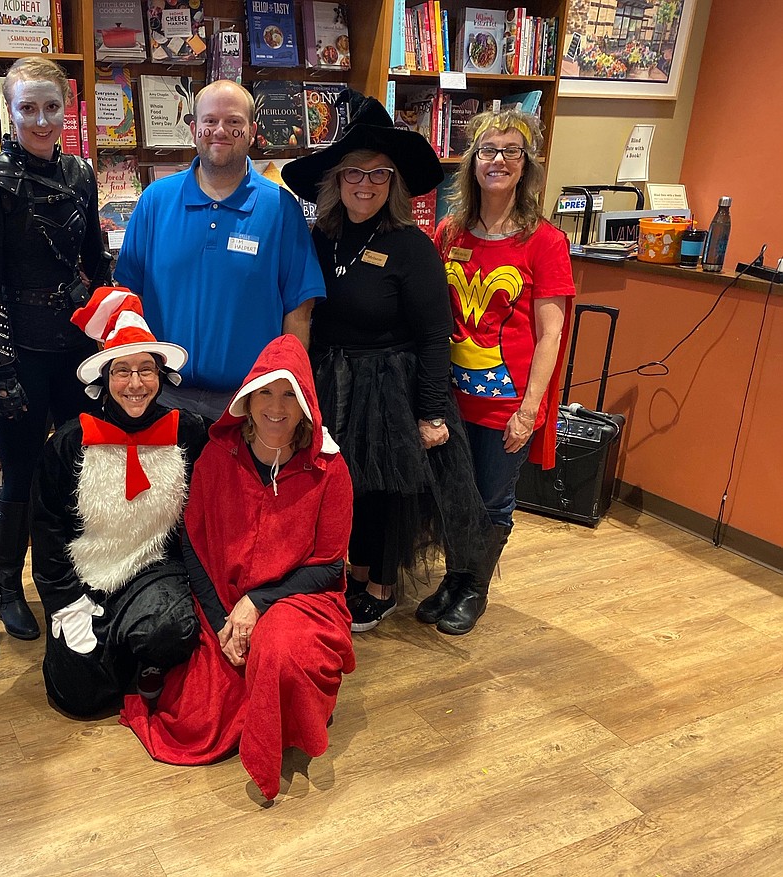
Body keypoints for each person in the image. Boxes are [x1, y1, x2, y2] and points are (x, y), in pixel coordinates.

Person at [281, 91, 492, 635]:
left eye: (379, 174)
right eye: (355, 172)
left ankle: (380, 586)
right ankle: (351, 571)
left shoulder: (412, 247)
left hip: (392, 386)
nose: (366, 184)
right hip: (332, 379)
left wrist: (430, 414)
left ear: (393, 183)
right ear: (336, 179)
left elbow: (432, 337)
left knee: (382, 491)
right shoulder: (318, 238)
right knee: (340, 483)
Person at [122, 335, 355, 802]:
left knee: (280, 651)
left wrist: (257, 603)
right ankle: (288, 701)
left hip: (300, 601)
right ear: (247, 401)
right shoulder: (217, 459)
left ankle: (293, 714)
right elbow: (194, 543)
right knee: (198, 724)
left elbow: (329, 567)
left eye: (289, 394)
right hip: (224, 606)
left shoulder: (330, 471)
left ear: (306, 403)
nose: (276, 406)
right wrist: (224, 619)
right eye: (266, 392)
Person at [0, 57, 112, 642]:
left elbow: (97, 260)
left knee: (81, 465)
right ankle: (7, 585)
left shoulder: (81, 174)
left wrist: (109, 329)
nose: (41, 119)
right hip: (20, 349)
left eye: (52, 106)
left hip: (77, 345)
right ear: (9, 108)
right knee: (22, 474)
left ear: (68, 108)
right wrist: (1, 367)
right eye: (27, 107)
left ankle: (70, 576)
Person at [431, 107, 575, 634]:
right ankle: (452, 576)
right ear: (472, 162)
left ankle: (474, 587)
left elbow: (552, 333)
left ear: (525, 164)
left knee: (492, 496)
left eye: (510, 151)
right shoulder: (450, 232)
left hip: (506, 403)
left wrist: (530, 410)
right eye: (488, 150)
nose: (498, 160)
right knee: (452, 493)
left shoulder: (545, 241)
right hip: (451, 397)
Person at [30, 287, 207, 716]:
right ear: (105, 379)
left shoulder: (189, 433)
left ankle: (145, 656)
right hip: (86, 580)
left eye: (146, 370)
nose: (134, 384)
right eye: (122, 371)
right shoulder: (68, 444)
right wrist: (66, 603)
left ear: (162, 376)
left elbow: (204, 521)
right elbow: (48, 534)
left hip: (154, 573)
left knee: (170, 630)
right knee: (77, 698)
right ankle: (116, 658)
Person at [113, 80, 325, 420]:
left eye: (234, 122)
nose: (220, 130)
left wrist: (286, 393)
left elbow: (299, 309)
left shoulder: (280, 208)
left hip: (246, 403)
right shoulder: (155, 201)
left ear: (253, 131)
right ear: (194, 129)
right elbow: (126, 297)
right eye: (209, 121)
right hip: (161, 398)